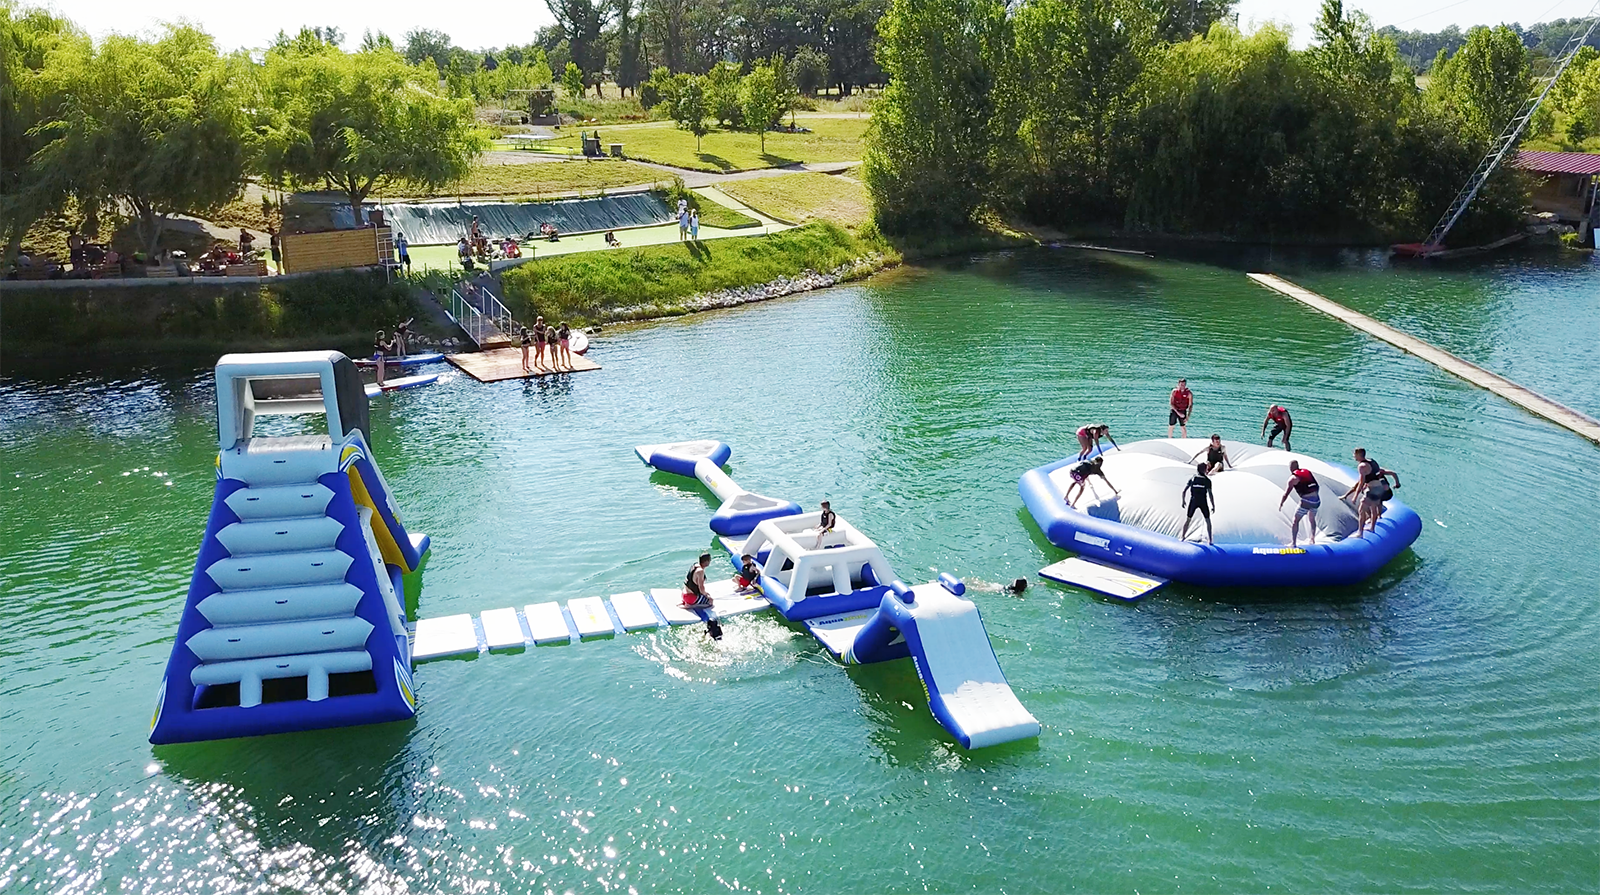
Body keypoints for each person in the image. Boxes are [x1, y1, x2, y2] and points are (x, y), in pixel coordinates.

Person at [1342, 447, 1401, 538]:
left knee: (1361, 510)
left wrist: (1355, 496)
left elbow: (1361, 483)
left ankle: (1360, 533)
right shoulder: (1372, 461)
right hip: (1379, 489)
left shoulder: (1362, 466)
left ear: (1358, 455)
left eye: (1354, 454)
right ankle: (1372, 528)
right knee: (1373, 508)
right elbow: (1375, 474)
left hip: (1372, 490)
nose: (1353, 456)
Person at [1277, 460, 1321, 547]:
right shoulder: (1307, 472)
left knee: (1295, 521)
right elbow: (1316, 486)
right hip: (1317, 501)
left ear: (1290, 468)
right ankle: (1312, 539)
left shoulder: (1292, 479)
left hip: (1306, 501)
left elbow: (1286, 493)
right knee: (1312, 519)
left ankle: (1293, 543)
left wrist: (1281, 503)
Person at [1179, 462, 1216, 545]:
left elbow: (1184, 491)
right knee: (1207, 520)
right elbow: (1210, 494)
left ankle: (1183, 536)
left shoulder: (1193, 479)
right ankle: (1210, 540)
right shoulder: (1207, 481)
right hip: (1202, 502)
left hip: (1194, 501)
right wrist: (1213, 505)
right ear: (1204, 470)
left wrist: (1183, 501)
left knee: (1188, 519)